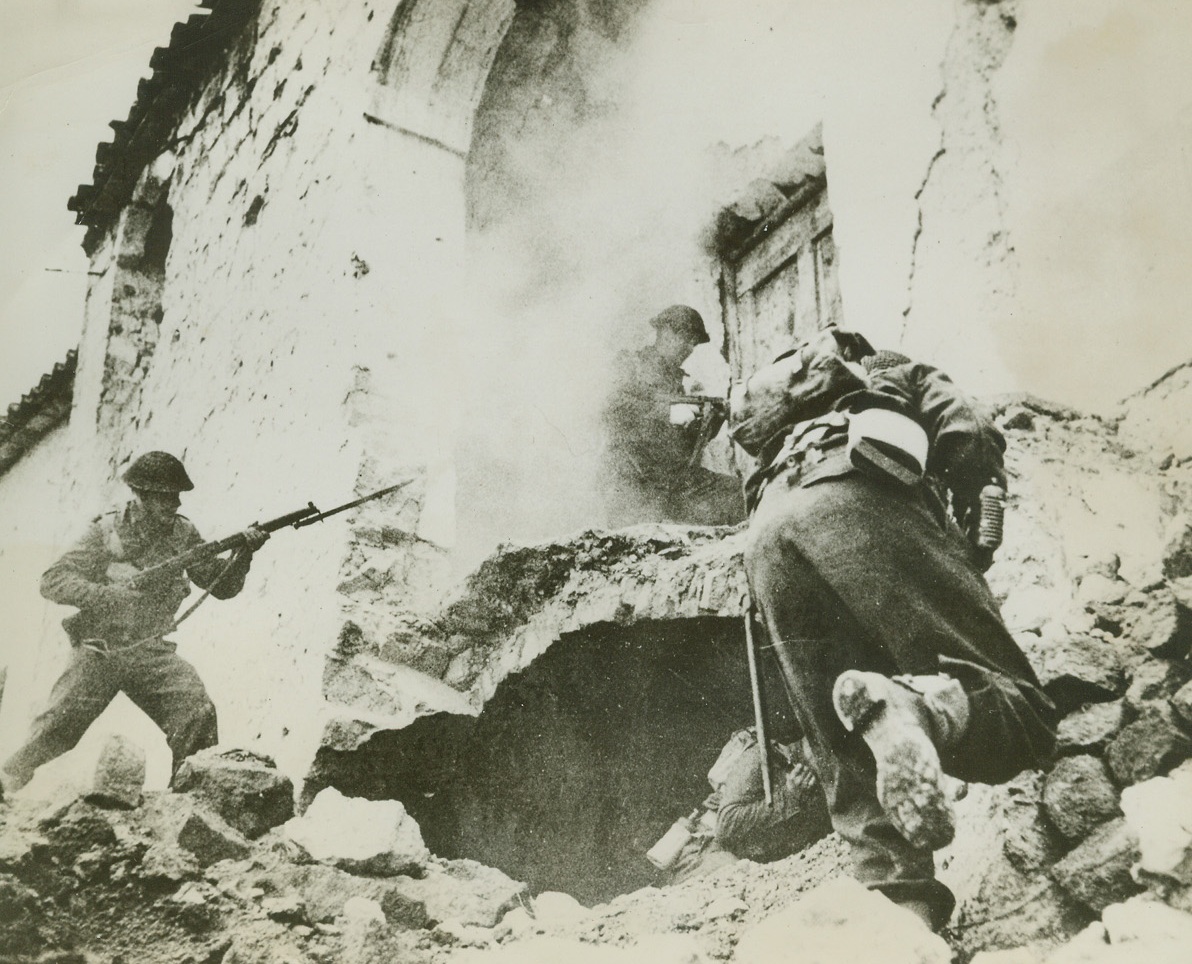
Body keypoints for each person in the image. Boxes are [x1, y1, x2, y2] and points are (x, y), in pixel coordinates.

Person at [735, 331, 1056, 930]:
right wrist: (978, 504)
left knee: (845, 745)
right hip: (856, 487)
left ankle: (902, 920)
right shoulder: (893, 374)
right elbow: (968, 426)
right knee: (1023, 711)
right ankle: (918, 706)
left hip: (768, 536)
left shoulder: (777, 418)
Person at [0, 451, 269, 797]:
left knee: (195, 711)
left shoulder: (183, 533)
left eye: (176, 496)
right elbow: (53, 580)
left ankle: (190, 799)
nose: (174, 503)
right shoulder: (105, 531)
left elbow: (222, 587)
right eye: (165, 497)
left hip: (149, 651)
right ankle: (6, 785)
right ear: (140, 495)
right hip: (101, 650)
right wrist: (108, 596)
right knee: (56, 728)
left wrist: (243, 555)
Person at [601, 304, 745, 527]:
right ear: (666, 332)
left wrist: (708, 422)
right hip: (634, 483)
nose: (690, 348)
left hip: (675, 482)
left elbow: (682, 447)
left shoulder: (677, 381)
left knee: (743, 494)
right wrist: (668, 412)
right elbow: (611, 408)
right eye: (687, 339)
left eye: (694, 343)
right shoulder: (630, 364)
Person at [652, 727, 829, 886]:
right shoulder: (760, 755)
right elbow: (726, 824)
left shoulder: (813, 781)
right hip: (702, 851)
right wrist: (789, 795)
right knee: (747, 883)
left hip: (734, 856)